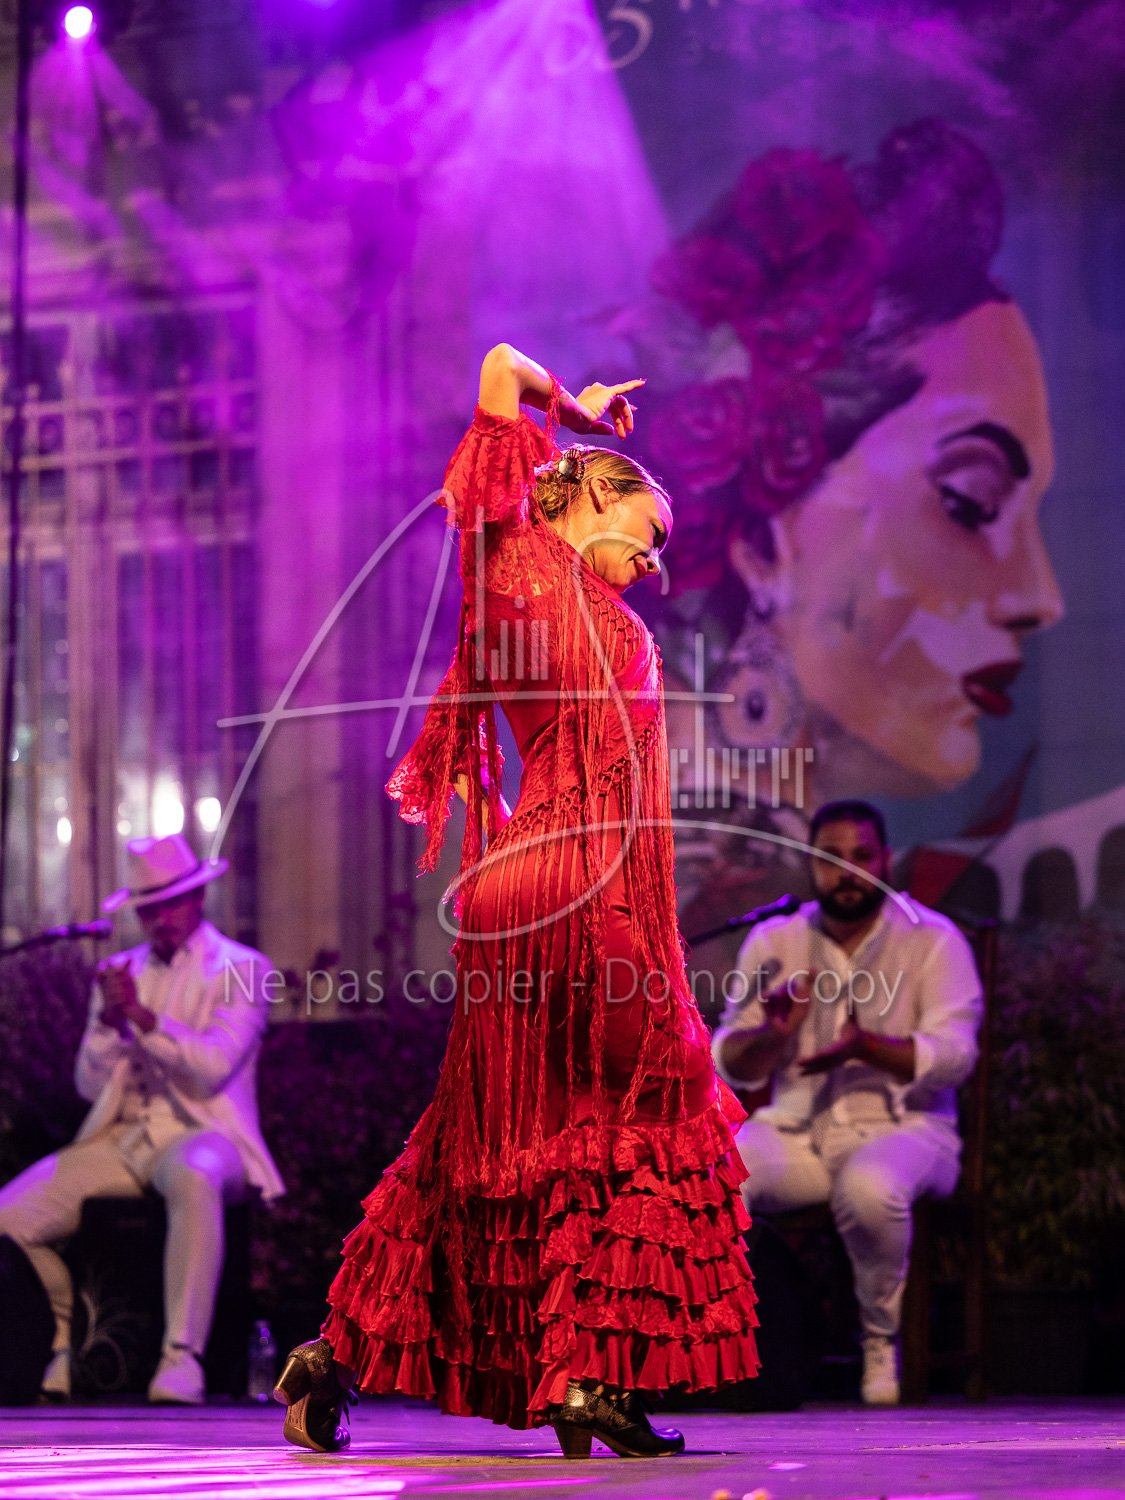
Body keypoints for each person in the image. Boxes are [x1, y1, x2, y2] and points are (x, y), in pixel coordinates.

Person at [273, 344, 760, 1458]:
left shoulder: (503, 571)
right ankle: (586, 1373)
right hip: (584, 888)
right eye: (649, 530)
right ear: (595, 493)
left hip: (519, 891)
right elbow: (498, 365)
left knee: (484, 1140)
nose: (655, 559)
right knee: (641, 1105)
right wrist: (571, 407)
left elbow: (498, 378)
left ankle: (331, 1357)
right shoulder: (522, 557)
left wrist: (562, 412)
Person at [711, 799, 981, 1405]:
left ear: (886, 860)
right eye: (831, 859)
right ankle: (734, 1346)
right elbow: (727, 1060)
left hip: (908, 1129)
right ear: (811, 864)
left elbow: (956, 1058)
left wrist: (869, 1048)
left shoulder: (932, 939)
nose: (848, 872)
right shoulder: (776, 939)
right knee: (716, 1173)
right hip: (800, 1132)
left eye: (862, 856)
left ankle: (880, 1340)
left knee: (868, 1186)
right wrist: (772, 1036)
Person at [0, 834, 283, 1404]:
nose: (160, 920)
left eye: (170, 904)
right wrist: (110, 1024)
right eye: (149, 909)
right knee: (9, 1218)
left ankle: (182, 1357)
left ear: (197, 899)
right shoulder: (119, 970)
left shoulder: (244, 968)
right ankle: (63, 1345)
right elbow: (89, 1086)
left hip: (208, 1134)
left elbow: (211, 1068)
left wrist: (143, 1018)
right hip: (125, 1137)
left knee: (194, 1175)